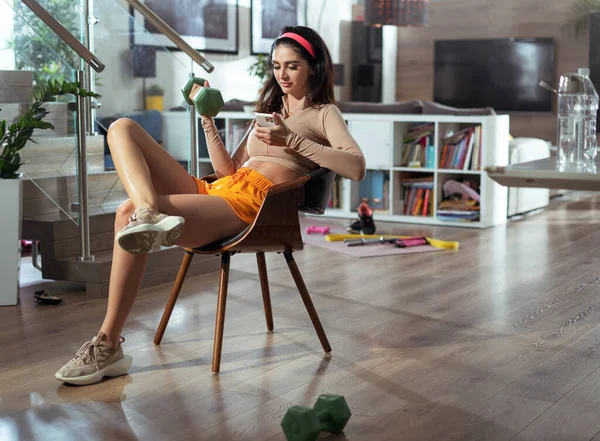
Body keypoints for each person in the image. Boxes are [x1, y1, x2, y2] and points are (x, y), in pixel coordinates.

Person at [54, 25, 366, 386]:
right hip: (222, 188)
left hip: (251, 207)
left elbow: (355, 166)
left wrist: (291, 139)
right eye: (276, 65)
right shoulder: (268, 111)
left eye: (292, 66)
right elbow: (227, 170)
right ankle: (147, 211)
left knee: (123, 215)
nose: (282, 74)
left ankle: (107, 345)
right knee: (121, 128)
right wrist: (206, 118)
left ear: (313, 67)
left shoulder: (324, 113)